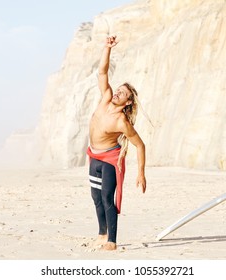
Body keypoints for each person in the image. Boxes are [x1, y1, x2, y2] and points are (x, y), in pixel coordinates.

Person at [87, 35, 147, 251]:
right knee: (95, 197)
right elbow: (102, 72)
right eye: (118, 89)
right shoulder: (105, 97)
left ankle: (111, 241)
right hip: (94, 156)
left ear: (127, 102)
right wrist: (107, 48)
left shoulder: (122, 122)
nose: (118, 92)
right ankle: (102, 234)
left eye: (123, 93)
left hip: (110, 160)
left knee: (106, 198)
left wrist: (141, 173)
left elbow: (140, 145)